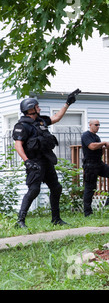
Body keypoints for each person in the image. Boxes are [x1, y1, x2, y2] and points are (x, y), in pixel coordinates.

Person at [13, 94, 77, 228]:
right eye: (37, 107)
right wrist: (27, 161)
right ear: (30, 109)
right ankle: (20, 221)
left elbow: (56, 118)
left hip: (46, 160)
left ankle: (56, 219)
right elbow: (18, 145)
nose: (39, 108)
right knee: (34, 190)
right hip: (34, 162)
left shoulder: (40, 121)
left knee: (56, 188)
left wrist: (67, 103)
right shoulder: (22, 126)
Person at [81, 119, 109, 217]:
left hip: (99, 164)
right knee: (90, 188)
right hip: (90, 165)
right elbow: (91, 146)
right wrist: (103, 143)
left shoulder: (97, 137)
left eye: (99, 125)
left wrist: (105, 147)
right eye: (96, 125)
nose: (98, 126)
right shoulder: (86, 135)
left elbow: (98, 150)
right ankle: (87, 213)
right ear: (90, 125)